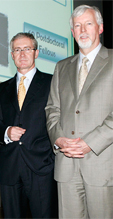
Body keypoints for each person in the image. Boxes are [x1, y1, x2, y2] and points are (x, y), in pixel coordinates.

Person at [45, 5, 113, 218]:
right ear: (72, 32)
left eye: (88, 23)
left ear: (100, 28)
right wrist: (59, 140)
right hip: (66, 166)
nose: (82, 29)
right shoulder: (61, 66)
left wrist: (89, 143)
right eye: (77, 25)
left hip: (101, 164)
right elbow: (52, 109)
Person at [0, 32, 57, 218]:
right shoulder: (1, 89)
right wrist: (6, 131)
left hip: (42, 166)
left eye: (27, 49)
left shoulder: (52, 82)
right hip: (10, 167)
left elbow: (59, 120)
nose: (22, 53)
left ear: (36, 52)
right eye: (17, 50)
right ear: (12, 55)